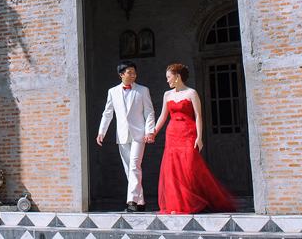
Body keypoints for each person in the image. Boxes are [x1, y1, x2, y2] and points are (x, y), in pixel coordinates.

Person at [147, 64, 235, 214]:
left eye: (169, 77)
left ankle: (193, 202)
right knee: (173, 169)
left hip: (188, 132)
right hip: (172, 133)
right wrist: (153, 132)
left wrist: (199, 137)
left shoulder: (192, 93)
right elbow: (163, 116)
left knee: (188, 167)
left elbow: (198, 115)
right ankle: (177, 205)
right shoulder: (167, 95)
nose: (167, 81)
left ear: (177, 76)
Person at [97, 61, 156, 212]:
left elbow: (149, 111)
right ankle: (140, 201)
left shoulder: (143, 90)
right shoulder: (113, 92)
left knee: (135, 165)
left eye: (134, 72)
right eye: (130, 72)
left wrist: (150, 130)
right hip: (122, 135)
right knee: (129, 169)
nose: (133, 75)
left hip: (139, 134)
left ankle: (132, 202)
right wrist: (101, 132)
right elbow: (108, 113)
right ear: (121, 75)